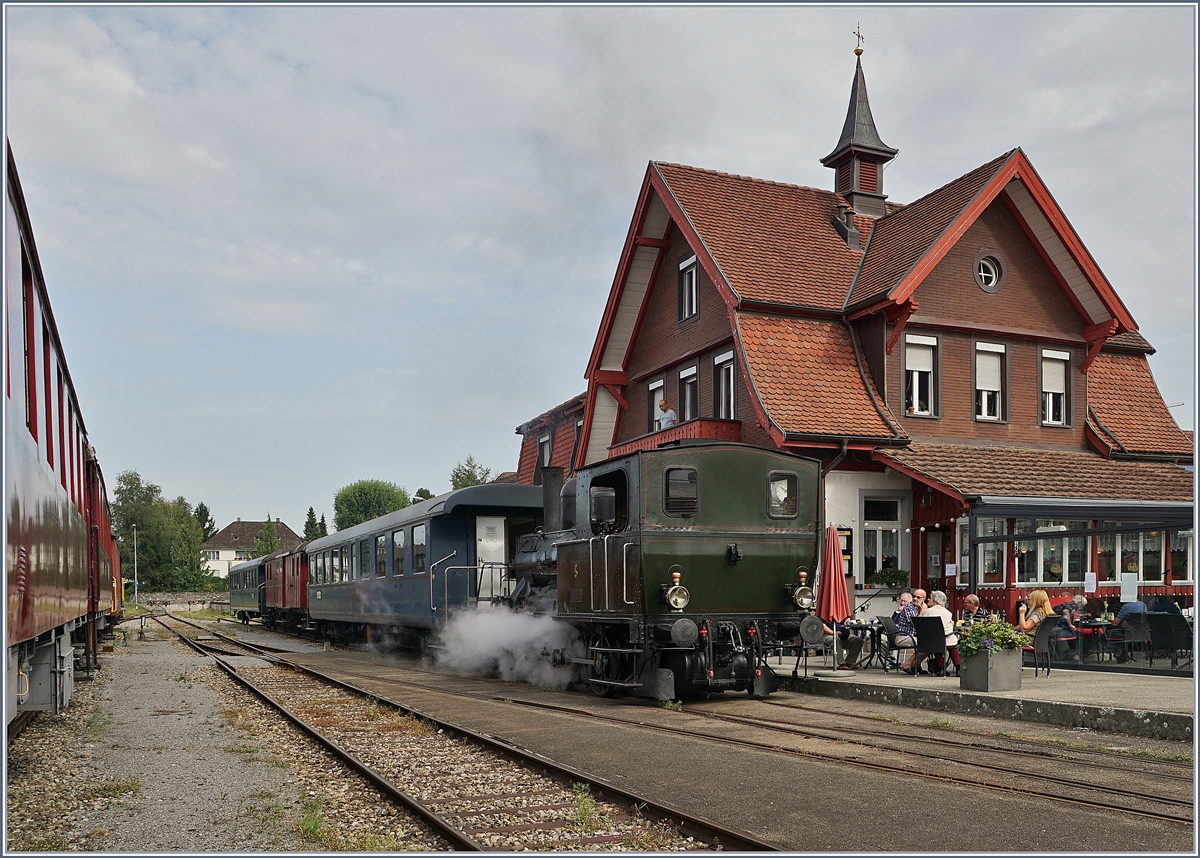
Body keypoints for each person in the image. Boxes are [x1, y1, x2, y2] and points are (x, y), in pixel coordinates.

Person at [914, 590, 961, 676]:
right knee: (953, 647)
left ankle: (941, 669)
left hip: (935, 641)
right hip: (949, 639)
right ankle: (958, 668)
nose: (928, 599)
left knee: (937, 646)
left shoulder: (927, 612)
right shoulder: (948, 613)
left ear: (935, 601)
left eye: (930, 598)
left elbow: (922, 626)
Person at [898, 588, 926, 674]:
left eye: (918, 597)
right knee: (928, 645)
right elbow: (916, 624)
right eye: (914, 596)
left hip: (915, 636)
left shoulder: (923, 607)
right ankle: (907, 664)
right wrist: (921, 612)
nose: (915, 599)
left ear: (923, 599)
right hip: (904, 637)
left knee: (933, 644)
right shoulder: (909, 607)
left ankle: (916, 665)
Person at [1052, 594, 1087, 661]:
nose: (1082, 608)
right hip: (1060, 629)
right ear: (1079, 603)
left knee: (1076, 633)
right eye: (1082, 606)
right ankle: (1076, 655)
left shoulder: (1066, 604)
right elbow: (1065, 612)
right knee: (1079, 635)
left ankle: (1071, 654)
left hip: (1055, 627)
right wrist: (1070, 624)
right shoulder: (1073, 605)